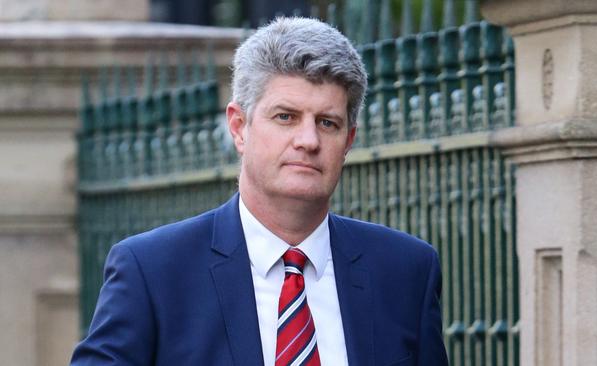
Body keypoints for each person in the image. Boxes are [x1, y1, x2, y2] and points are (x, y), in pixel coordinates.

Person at [71, 17, 448, 366]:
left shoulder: (405, 272)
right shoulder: (152, 271)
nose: (307, 140)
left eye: (327, 122)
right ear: (239, 127)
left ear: (348, 140)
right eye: (285, 117)